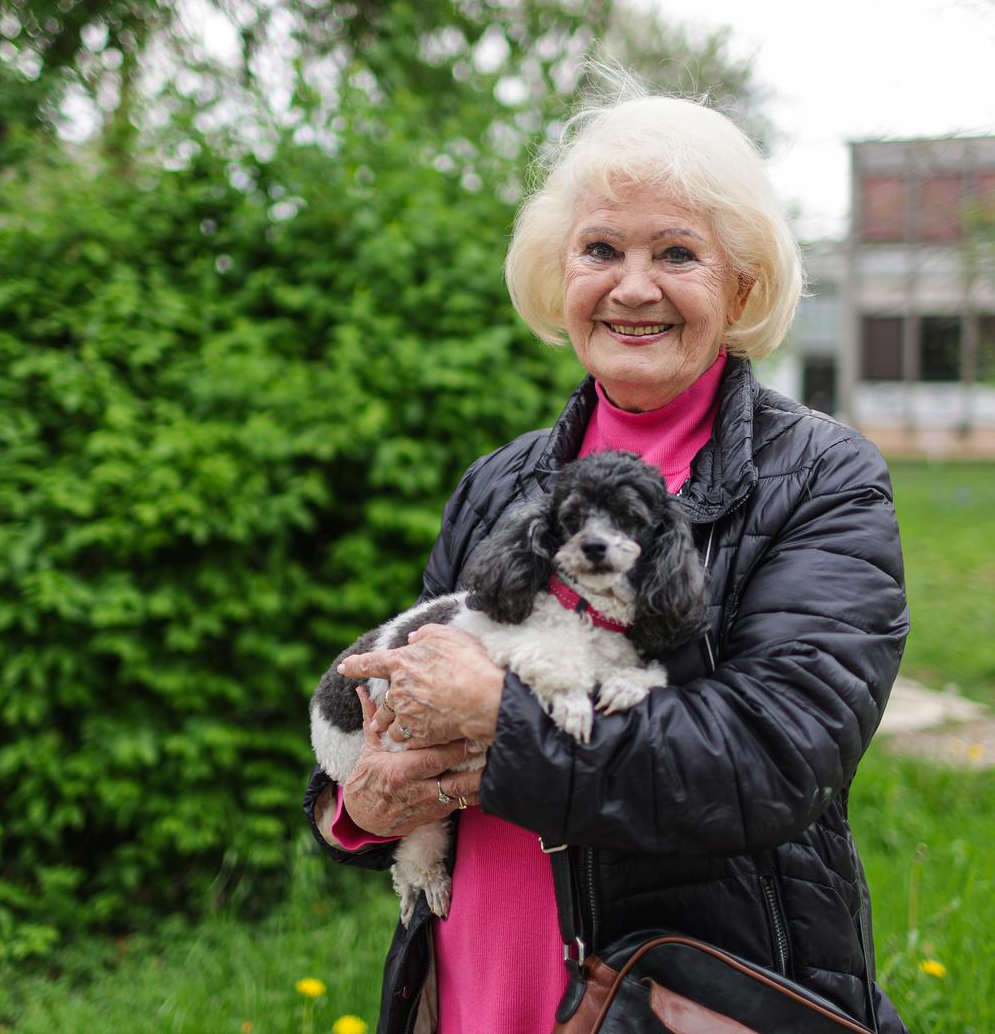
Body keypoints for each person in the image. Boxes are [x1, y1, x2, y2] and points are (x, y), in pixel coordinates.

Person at [301, 69, 909, 1034]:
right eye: (599, 249)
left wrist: (505, 725)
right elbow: (402, 693)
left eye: (677, 252)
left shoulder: (820, 477)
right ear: (561, 273)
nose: (633, 287)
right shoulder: (498, 482)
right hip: (470, 979)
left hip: (682, 993)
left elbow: (778, 757)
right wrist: (358, 810)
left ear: (740, 284)